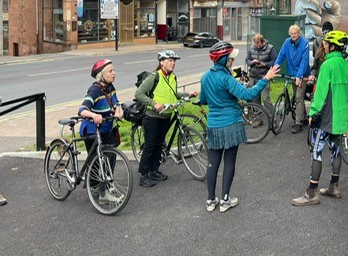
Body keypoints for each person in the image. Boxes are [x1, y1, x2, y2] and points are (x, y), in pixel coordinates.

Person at [200, 41, 280, 212]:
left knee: (212, 163)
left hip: (213, 125)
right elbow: (248, 94)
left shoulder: (205, 77)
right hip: (231, 124)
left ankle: (210, 200)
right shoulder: (226, 78)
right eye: (229, 58)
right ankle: (225, 200)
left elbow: (204, 100)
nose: (232, 60)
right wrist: (265, 79)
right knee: (229, 162)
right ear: (222, 60)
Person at [292, 30, 348, 206]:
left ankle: (311, 193)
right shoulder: (346, 66)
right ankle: (334, 187)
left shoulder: (327, 65)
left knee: (316, 152)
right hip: (340, 115)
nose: (324, 46)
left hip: (325, 116)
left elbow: (321, 93)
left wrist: (312, 113)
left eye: (326, 44)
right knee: (336, 151)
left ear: (332, 46)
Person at [135, 50, 198, 188]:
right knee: (150, 146)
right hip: (152, 117)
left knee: (159, 144)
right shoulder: (154, 76)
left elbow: (173, 93)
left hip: (165, 116)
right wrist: (153, 104)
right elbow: (139, 94)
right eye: (170, 60)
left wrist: (188, 94)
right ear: (161, 62)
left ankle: (154, 170)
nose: (173, 63)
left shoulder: (173, 77)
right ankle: (143, 175)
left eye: (174, 60)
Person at [79, 59, 123, 204]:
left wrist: (118, 110)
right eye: (110, 71)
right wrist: (93, 115)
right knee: (96, 162)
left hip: (106, 128)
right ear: (101, 75)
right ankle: (97, 189)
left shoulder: (110, 87)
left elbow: (116, 102)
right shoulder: (94, 90)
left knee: (110, 158)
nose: (114, 73)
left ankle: (105, 187)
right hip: (92, 130)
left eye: (113, 70)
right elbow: (82, 110)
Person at [275, 24, 311, 134]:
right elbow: (281, 55)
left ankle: (298, 123)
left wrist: (299, 76)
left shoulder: (304, 43)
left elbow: (304, 62)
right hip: (291, 74)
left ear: (299, 33)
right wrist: (275, 67)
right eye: (291, 33)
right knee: (297, 96)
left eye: (295, 33)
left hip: (302, 75)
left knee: (299, 97)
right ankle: (303, 116)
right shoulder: (287, 42)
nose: (293, 35)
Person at [245, 34, 277, 117]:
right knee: (255, 98)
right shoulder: (252, 48)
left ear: (263, 42)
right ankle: (258, 116)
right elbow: (247, 59)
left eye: (258, 43)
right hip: (253, 76)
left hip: (264, 76)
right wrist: (252, 62)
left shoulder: (270, 48)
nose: (257, 45)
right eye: (256, 44)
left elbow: (274, 61)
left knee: (265, 98)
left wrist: (265, 64)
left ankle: (272, 117)